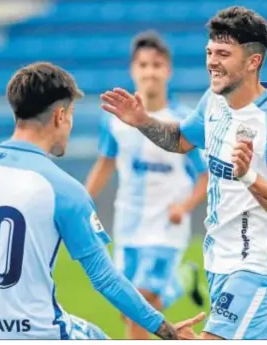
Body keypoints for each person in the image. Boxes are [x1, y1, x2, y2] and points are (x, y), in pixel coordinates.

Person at [0, 62, 206, 340]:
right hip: (34, 334)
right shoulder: (62, 189)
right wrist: (167, 331)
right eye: (71, 114)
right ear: (60, 116)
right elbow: (104, 278)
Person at [99, 6, 267, 340]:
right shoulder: (213, 101)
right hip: (218, 262)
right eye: (210, 52)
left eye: (223, 54)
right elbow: (180, 140)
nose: (212, 61)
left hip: (256, 268)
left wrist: (249, 176)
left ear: (253, 61)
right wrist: (142, 121)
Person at [85, 31, 207, 340]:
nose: (150, 71)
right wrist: (82, 202)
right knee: (127, 308)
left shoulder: (183, 122)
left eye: (157, 64)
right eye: (143, 65)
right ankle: (182, 279)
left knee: (140, 300)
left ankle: (172, 284)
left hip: (165, 227)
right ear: (133, 70)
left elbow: (206, 176)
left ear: (168, 70)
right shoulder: (115, 119)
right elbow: (106, 163)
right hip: (128, 224)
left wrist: (185, 206)